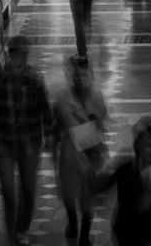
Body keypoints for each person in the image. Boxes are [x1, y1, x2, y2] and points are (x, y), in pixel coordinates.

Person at [0, 35, 52, 246]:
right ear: (10, 56)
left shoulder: (35, 81)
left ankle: (21, 228)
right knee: (8, 192)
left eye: (23, 55)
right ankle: (12, 231)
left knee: (28, 190)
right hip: (5, 144)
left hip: (30, 144)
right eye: (15, 55)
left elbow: (45, 110)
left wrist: (49, 134)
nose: (18, 60)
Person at [52, 63, 108, 246]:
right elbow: (58, 123)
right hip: (69, 152)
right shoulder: (62, 97)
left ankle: (84, 234)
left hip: (92, 152)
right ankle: (73, 222)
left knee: (88, 197)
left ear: (91, 76)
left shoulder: (97, 96)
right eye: (76, 75)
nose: (80, 79)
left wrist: (89, 131)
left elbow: (100, 122)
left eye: (84, 75)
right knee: (69, 193)